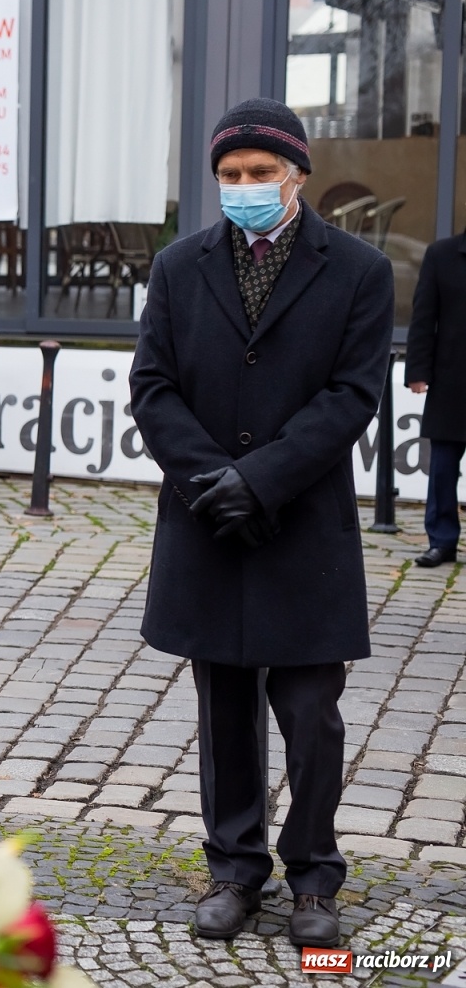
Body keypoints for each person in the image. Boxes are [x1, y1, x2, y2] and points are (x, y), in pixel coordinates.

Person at [130, 98, 392, 949]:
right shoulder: (179, 266)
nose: (243, 187)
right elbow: (154, 385)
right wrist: (215, 479)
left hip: (303, 526)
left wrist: (264, 478)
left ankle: (313, 874)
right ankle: (234, 868)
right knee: (225, 713)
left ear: (296, 176)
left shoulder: (356, 268)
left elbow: (352, 393)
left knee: (312, 714)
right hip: (209, 521)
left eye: (259, 174)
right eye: (230, 175)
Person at [405, 232, 466, 568]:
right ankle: (442, 542)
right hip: (452, 382)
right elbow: (424, 316)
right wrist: (417, 370)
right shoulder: (441, 255)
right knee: (442, 468)